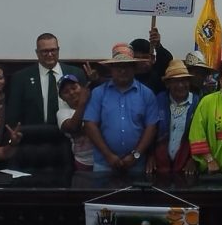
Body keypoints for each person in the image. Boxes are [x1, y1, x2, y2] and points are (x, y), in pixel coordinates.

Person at [83, 44, 159, 173]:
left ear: (134, 68)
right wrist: (108, 155)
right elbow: (90, 125)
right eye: (118, 66)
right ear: (111, 69)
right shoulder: (98, 93)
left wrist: (135, 155)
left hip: (136, 164)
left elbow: (151, 128)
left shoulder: (147, 94)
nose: (122, 70)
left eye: (127, 66)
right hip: (104, 164)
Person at [7, 33, 86, 127]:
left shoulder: (76, 73)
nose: (49, 54)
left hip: (69, 132)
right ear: (37, 52)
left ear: (58, 50)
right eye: (45, 51)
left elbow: (86, 104)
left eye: (53, 50)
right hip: (33, 132)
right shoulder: (21, 77)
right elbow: (14, 112)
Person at [148, 60, 200, 174]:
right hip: (160, 164)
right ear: (167, 84)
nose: (180, 85)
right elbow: (152, 130)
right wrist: (150, 156)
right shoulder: (159, 100)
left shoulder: (198, 102)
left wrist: (195, 159)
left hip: (187, 166)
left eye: (184, 80)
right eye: (175, 81)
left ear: (189, 82)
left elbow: (202, 135)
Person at [57, 74, 95, 171]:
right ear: (62, 98)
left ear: (82, 88)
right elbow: (73, 127)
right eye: (66, 92)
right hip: (84, 163)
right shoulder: (62, 113)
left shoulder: (95, 104)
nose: (71, 93)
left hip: (105, 160)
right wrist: (82, 102)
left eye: (74, 88)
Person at [130, 27, 173, 94]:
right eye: (137, 58)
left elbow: (167, 60)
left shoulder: (157, 73)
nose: (141, 62)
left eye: (145, 57)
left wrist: (158, 46)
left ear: (152, 58)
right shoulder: (126, 77)